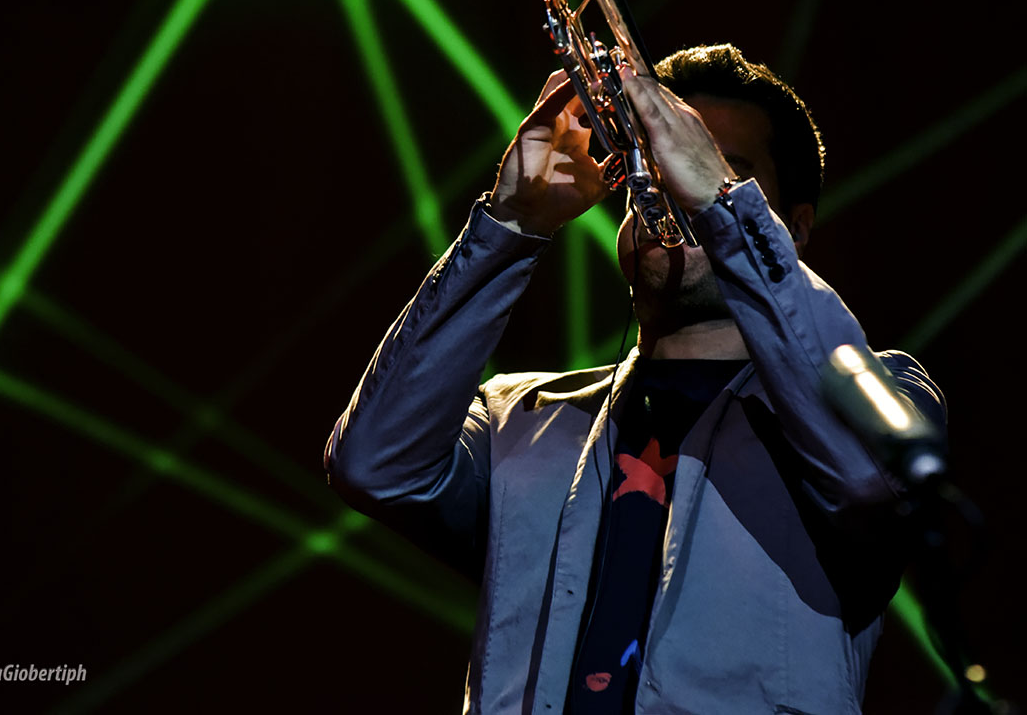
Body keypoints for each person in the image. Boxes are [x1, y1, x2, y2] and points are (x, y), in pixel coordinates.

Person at [324, 44, 945, 714]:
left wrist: (722, 211)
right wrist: (510, 224)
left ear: (789, 228)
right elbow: (373, 465)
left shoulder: (881, 391)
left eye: (710, 171)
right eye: (655, 167)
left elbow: (865, 480)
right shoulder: (517, 416)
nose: (671, 191)